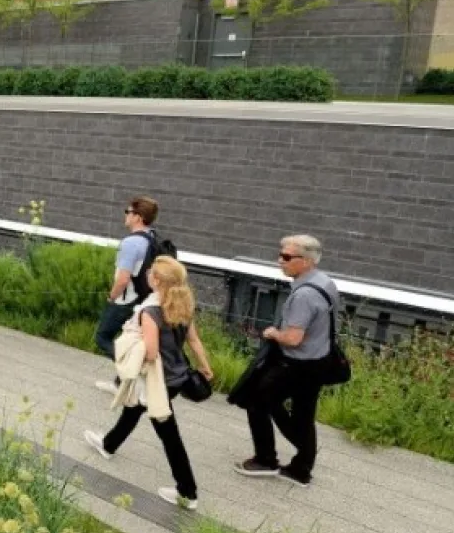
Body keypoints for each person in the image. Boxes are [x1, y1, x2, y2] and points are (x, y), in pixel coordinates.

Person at [84, 256, 212, 510]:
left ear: (156, 280)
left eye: (151, 272)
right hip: (177, 375)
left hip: (157, 381)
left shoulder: (150, 312)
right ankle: (108, 445)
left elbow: (151, 353)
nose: (147, 275)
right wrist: (205, 366)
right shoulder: (181, 305)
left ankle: (187, 493)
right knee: (133, 408)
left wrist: (132, 346)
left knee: (169, 434)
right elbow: (194, 341)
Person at [236, 234, 339, 488]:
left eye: (286, 257)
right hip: (319, 359)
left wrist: (272, 333)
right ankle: (302, 468)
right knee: (304, 413)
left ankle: (265, 460)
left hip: (297, 364)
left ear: (305, 261)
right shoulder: (325, 283)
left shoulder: (304, 295)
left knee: (257, 400)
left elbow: (293, 338)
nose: (279, 261)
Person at [94, 196, 161, 393]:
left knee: (103, 337)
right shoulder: (152, 238)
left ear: (138, 217)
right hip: (143, 299)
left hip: (126, 299)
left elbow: (123, 279)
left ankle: (134, 372)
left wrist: (112, 297)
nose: (126, 215)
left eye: (128, 212)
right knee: (129, 339)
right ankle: (120, 383)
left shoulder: (131, 243)